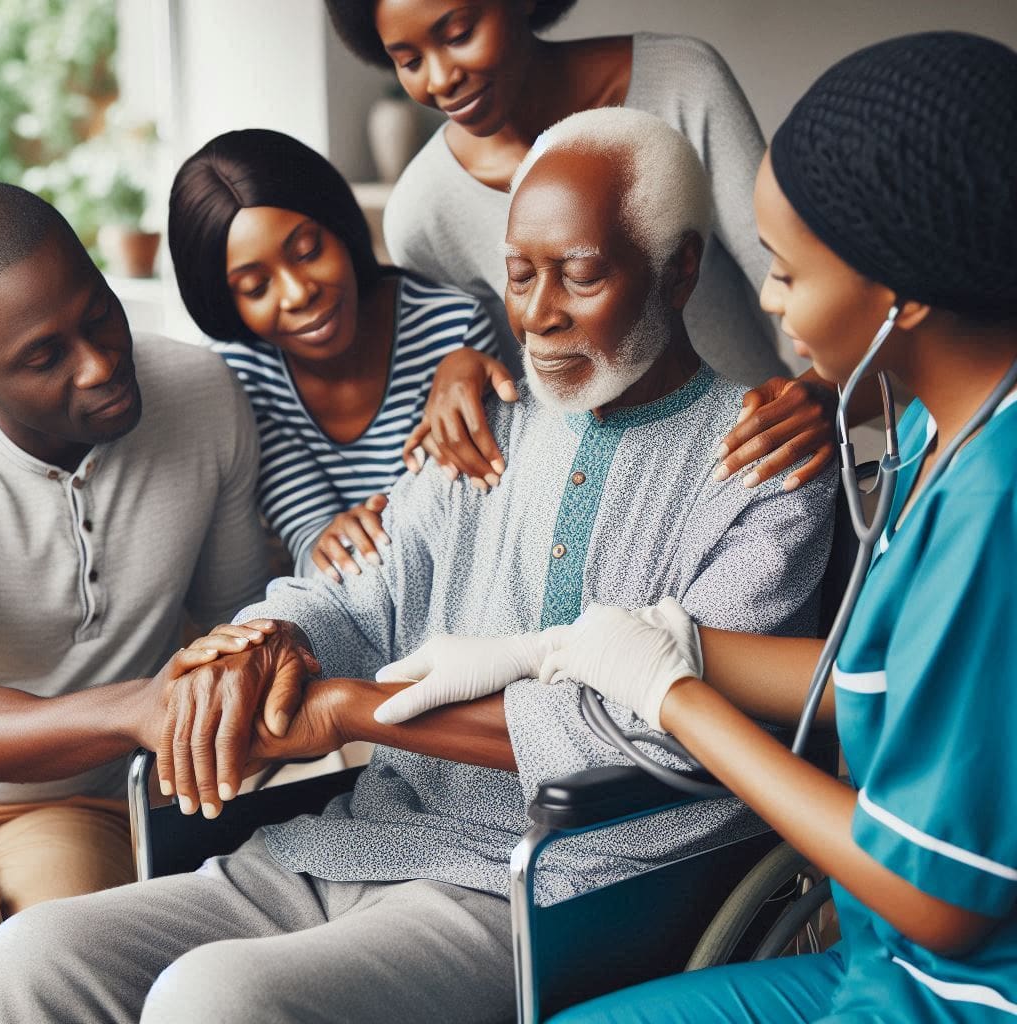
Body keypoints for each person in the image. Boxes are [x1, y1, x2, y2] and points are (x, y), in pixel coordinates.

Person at [0, 110, 836, 1024]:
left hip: (566, 881)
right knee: (37, 957)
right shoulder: (480, 427)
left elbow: (663, 729)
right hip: (367, 836)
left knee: (215, 999)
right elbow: (353, 597)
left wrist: (356, 713)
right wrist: (264, 644)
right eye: (519, 275)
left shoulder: (766, 463)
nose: (540, 313)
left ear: (678, 270)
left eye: (579, 274)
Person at [425, 32, 1017, 1024]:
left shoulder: (994, 502)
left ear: (900, 297)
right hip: (881, 959)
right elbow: (874, 682)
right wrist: (574, 647)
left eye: (784, 273)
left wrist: (675, 696)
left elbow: (940, 897)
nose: (771, 303)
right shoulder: (925, 426)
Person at [325, 0, 858, 498]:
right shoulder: (422, 210)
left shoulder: (680, 81)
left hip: (754, 467)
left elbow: (820, 289)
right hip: (584, 503)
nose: (441, 79)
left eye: (459, 33)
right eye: (409, 59)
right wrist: (458, 365)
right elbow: (513, 380)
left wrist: (822, 389)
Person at [0, 183, 273, 927]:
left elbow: (240, 623)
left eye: (98, 316)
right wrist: (132, 710)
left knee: (57, 950)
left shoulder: (201, 392)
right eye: (45, 356)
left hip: (73, 806)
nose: (97, 365)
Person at [168, 128, 499, 581]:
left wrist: (465, 368)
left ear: (339, 226)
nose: (298, 293)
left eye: (307, 251)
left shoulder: (452, 327)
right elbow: (310, 544)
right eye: (256, 287)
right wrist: (330, 541)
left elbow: (476, 513)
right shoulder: (240, 376)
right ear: (227, 303)